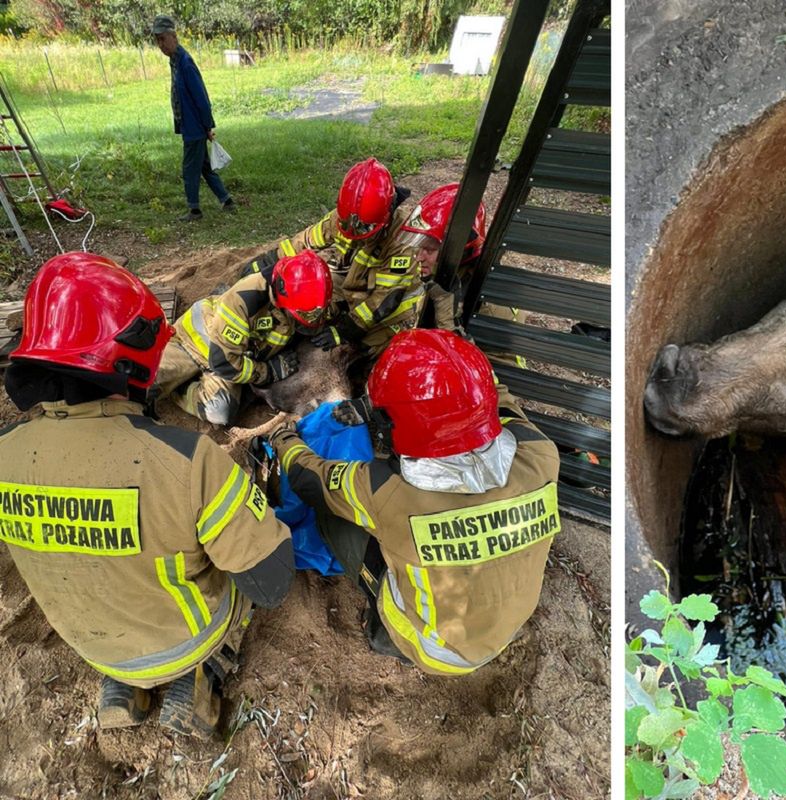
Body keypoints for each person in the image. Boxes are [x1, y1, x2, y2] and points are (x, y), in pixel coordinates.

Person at [0, 252, 294, 737]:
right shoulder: (189, 461)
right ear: (134, 361)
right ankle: (205, 672)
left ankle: (123, 688)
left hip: (92, 645)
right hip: (186, 640)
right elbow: (272, 582)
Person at [268, 329, 560, 674]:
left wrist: (284, 439)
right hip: (507, 627)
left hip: (435, 649)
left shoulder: (388, 492)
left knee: (332, 515)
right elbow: (498, 400)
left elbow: (311, 477)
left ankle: (383, 634)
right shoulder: (541, 453)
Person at [242, 160, 487, 355]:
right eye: (348, 227)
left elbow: (384, 301)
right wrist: (261, 265)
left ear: (387, 215)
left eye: (363, 231)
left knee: (361, 352)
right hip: (354, 287)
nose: (354, 236)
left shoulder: (403, 240)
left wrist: (344, 332)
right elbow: (302, 242)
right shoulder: (346, 220)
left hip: (391, 310)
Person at [155, 249, 332, 425]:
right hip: (196, 342)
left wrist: (344, 330)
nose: (311, 320)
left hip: (233, 355)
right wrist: (269, 371)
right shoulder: (244, 301)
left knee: (220, 413)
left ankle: (181, 388)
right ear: (284, 298)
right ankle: (175, 380)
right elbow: (224, 363)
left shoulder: (306, 294)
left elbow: (326, 312)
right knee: (148, 380)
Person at [151, 15, 235, 222]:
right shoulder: (175, 62)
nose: (160, 45)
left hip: (195, 127)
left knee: (190, 169)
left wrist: (207, 126)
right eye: (157, 40)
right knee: (204, 166)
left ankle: (194, 210)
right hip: (190, 126)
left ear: (174, 36)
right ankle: (227, 200)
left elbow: (201, 99)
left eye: (163, 39)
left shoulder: (186, 63)